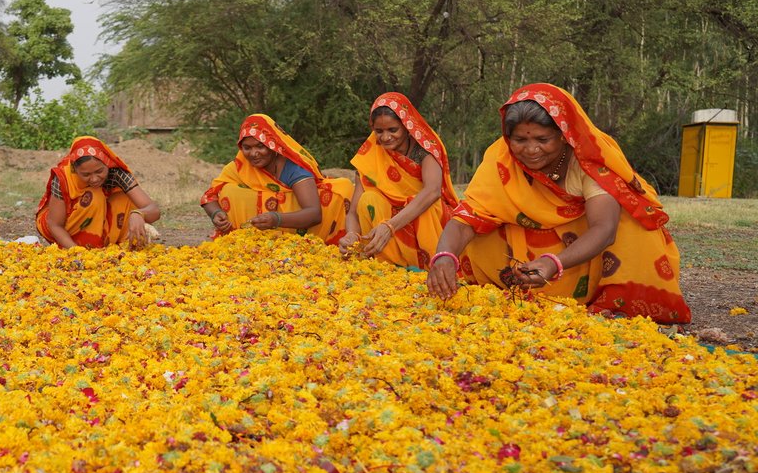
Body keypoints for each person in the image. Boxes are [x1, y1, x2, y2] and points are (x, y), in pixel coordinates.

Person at [426, 83, 691, 323]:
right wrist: (444, 256)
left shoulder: (590, 159)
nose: (531, 150)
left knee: (631, 225)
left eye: (542, 140)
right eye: (520, 140)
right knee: (482, 232)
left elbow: (604, 228)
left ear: (563, 134)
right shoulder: (501, 159)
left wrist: (554, 262)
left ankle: (608, 299)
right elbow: (467, 219)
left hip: (580, 253)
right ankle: (516, 289)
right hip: (530, 255)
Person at [339, 93, 458, 267]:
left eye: (392, 130)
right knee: (368, 199)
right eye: (379, 131)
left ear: (407, 126)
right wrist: (351, 235)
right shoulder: (370, 155)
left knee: (429, 205)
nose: (385, 137)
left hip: (424, 224)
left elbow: (432, 191)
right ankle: (387, 263)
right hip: (386, 229)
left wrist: (390, 226)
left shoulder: (425, 149)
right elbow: (353, 212)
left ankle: (434, 265)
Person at [200, 114, 354, 244]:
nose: (253, 154)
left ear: (272, 145)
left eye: (260, 146)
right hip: (258, 234)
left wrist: (276, 219)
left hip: (302, 230)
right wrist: (216, 213)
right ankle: (243, 242)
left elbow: (314, 213)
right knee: (229, 190)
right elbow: (210, 196)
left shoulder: (293, 168)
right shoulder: (240, 166)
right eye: (247, 148)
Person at [35, 136, 160, 248]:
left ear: (107, 163)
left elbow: (153, 209)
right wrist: (76, 251)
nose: (94, 179)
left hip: (97, 224)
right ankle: (87, 244)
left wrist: (139, 214)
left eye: (99, 171)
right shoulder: (63, 177)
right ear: (75, 170)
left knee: (125, 198)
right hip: (63, 229)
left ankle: (109, 242)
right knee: (94, 195)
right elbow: (55, 225)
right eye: (86, 174)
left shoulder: (117, 173)